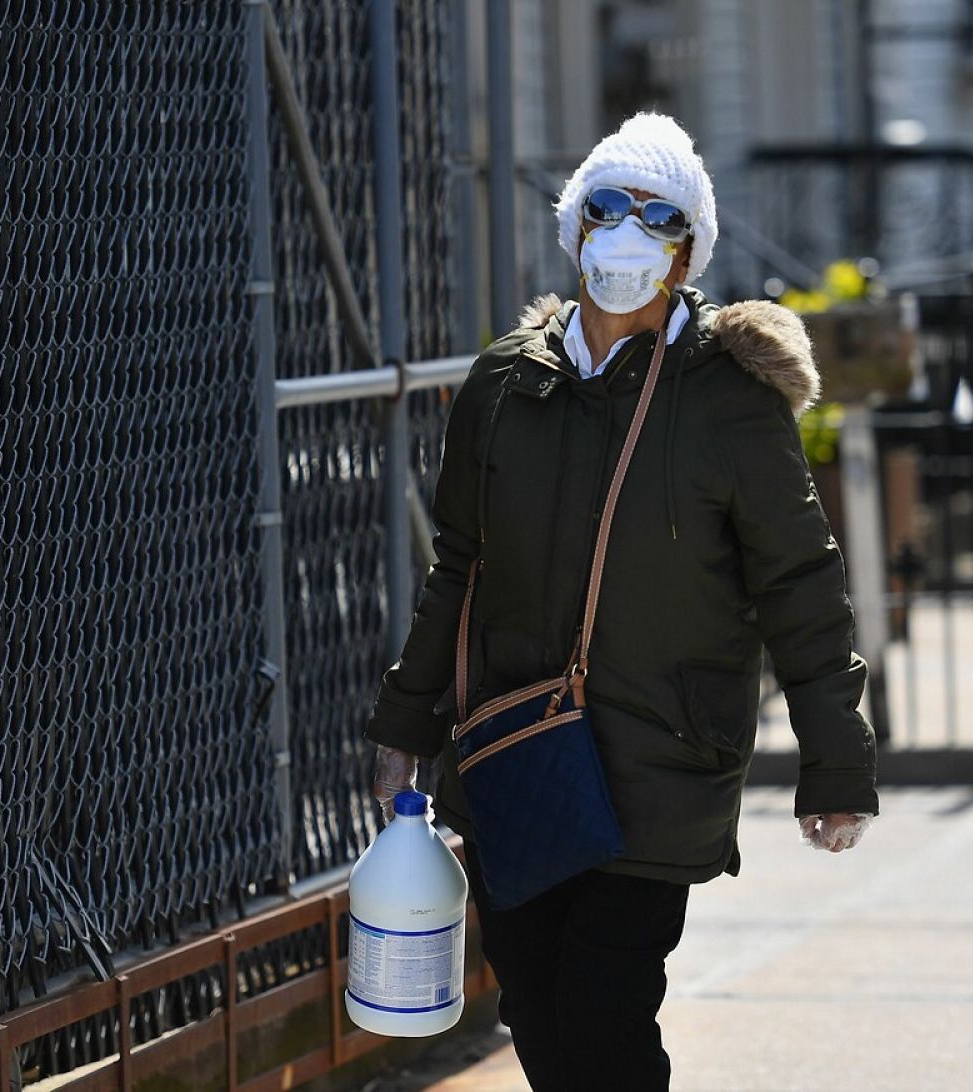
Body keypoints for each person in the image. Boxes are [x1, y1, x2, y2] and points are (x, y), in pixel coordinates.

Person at [364, 112, 877, 1092]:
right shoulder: (508, 385)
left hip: (662, 763)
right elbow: (457, 569)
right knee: (537, 1012)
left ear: (688, 255)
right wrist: (406, 723)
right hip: (517, 753)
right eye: (606, 209)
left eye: (658, 218)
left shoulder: (730, 402)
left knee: (604, 1011)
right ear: (574, 229)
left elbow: (801, 587)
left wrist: (835, 760)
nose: (627, 234)